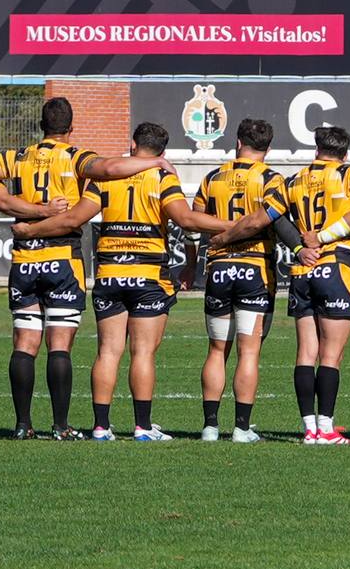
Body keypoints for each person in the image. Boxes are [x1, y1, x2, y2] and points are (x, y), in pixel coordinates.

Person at [215, 123, 350, 443]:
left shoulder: (293, 181)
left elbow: (268, 218)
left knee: (306, 352)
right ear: (345, 153)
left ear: (315, 149)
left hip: (302, 271)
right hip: (335, 266)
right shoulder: (347, 174)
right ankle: (326, 427)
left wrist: (226, 238)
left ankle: (309, 429)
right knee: (331, 355)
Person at [72, 123, 245, 441]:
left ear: (132, 144)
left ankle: (100, 427)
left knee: (108, 352)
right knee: (142, 353)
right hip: (148, 276)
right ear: (163, 153)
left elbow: (75, 217)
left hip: (110, 272)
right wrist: (237, 224)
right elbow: (186, 219)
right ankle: (141, 427)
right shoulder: (162, 177)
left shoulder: (106, 177)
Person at [0, 98, 99, 439]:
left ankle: (22, 425)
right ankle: (59, 426)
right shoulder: (76, 157)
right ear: (71, 128)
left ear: (41, 126)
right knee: (59, 344)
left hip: (26, 260)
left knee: (24, 342)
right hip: (62, 258)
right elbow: (107, 171)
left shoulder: (19, 157)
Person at [192, 117, 288, 442]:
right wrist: (234, 233)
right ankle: (242, 429)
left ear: (237, 143)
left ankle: (209, 427)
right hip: (254, 269)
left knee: (217, 350)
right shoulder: (273, 179)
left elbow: (196, 220)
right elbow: (263, 220)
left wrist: (219, 238)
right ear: (268, 148)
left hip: (219, 270)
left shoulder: (212, 178)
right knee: (249, 352)